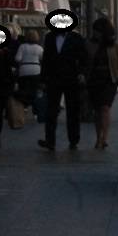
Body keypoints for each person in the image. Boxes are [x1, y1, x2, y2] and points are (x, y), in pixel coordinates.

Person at [39, 17, 88, 151]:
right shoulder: (49, 37)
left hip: (71, 78)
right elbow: (46, 60)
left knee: (73, 110)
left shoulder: (76, 38)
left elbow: (84, 57)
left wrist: (81, 73)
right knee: (51, 110)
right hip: (53, 78)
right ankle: (50, 141)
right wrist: (43, 79)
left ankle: (73, 139)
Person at [86, 18, 118, 151]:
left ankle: (104, 138)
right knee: (97, 110)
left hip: (109, 80)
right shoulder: (89, 44)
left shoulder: (113, 45)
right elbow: (84, 61)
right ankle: (99, 136)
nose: (95, 33)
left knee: (105, 108)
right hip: (93, 80)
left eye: (98, 31)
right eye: (94, 31)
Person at [14, 30, 45, 122]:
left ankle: (24, 107)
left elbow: (17, 58)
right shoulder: (39, 48)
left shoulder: (22, 47)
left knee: (23, 89)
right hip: (36, 69)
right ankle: (35, 111)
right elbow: (43, 59)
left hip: (24, 70)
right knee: (35, 90)